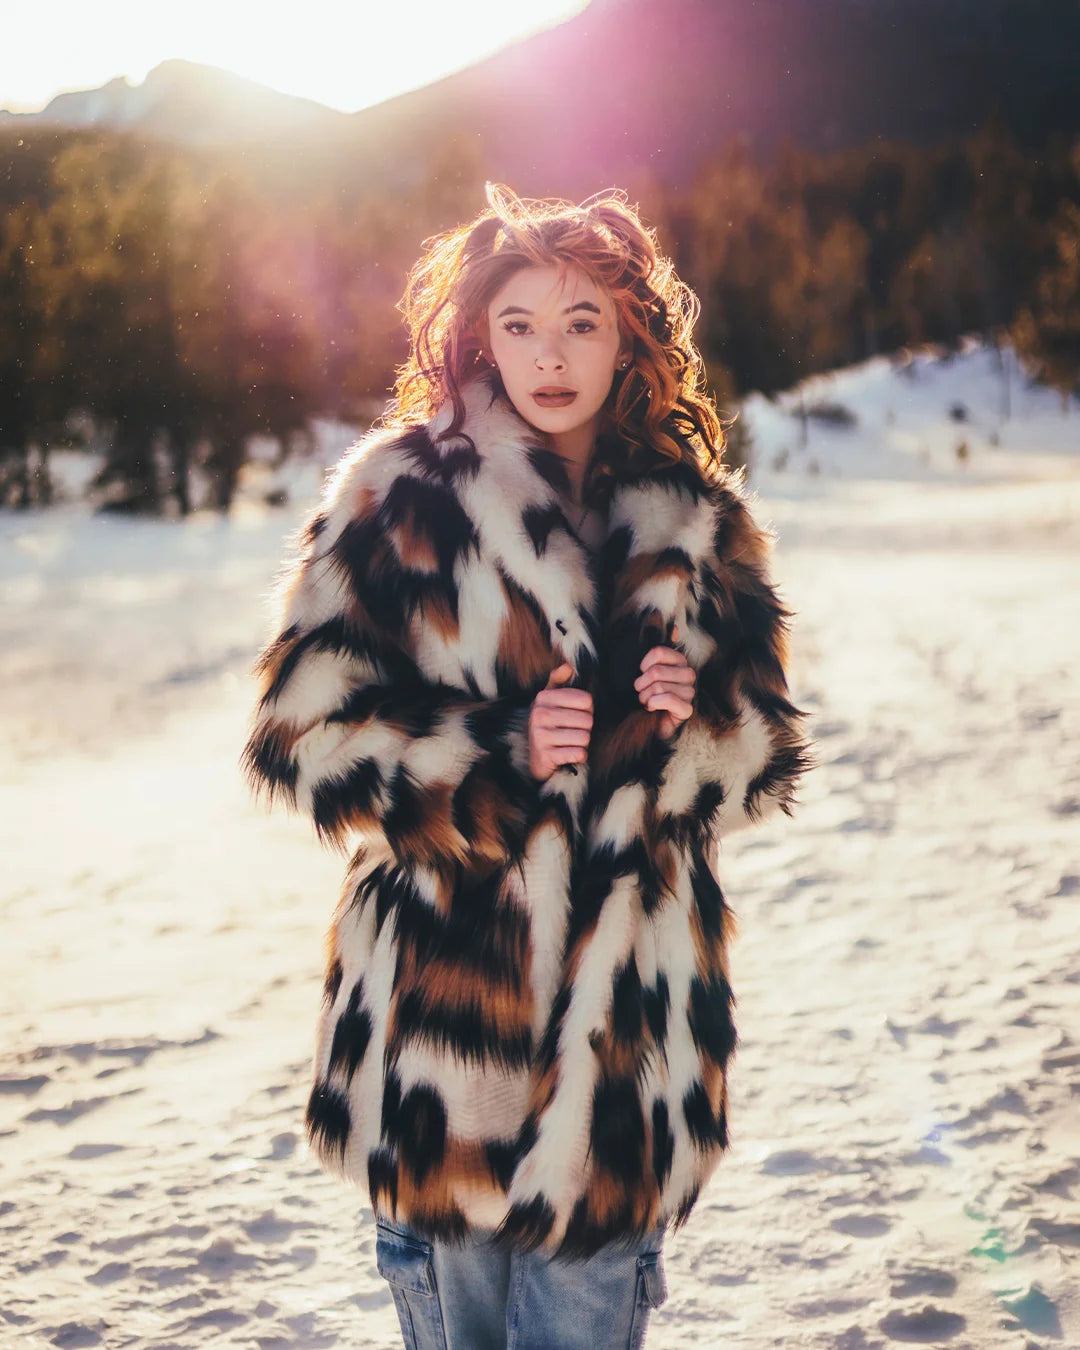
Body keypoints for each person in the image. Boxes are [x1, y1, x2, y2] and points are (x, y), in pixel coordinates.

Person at [240, 182, 813, 1349]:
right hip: (442, 1043)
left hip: (627, 1040)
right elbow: (296, 736)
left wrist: (691, 721)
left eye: (581, 323)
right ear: (477, 336)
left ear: (630, 336)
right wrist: (493, 759)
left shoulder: (701, 524)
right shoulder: (401, 497)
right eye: (519, 325)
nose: (549, 356)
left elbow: (764, 754)